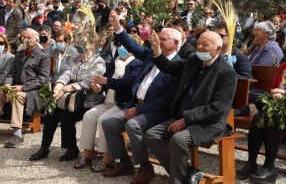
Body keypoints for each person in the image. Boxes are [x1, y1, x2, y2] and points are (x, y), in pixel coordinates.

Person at [144, 30, 237, 183]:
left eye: (205, 45)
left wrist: (186, 120)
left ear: (218, 49)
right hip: (184, 116)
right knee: (152, 135)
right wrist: (156, 49)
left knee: (179, 140)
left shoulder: (226, 73)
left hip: (208, 123)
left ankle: (177, 180)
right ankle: (188, 172)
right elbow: (168, 67)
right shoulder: (194, 61)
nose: (199, 47)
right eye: (198, 43)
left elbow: (217, 108)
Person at [101, 11, 181, 182]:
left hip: (157, 111)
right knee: (109, 123)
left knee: (133, 125)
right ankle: (125, 163)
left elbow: (167, 100)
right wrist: (118, 28)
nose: (156, 41)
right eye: (156, 37)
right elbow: (133, 47)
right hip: (136, 105)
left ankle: (145, 168)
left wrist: (139, 110)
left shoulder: (178, 65)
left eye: (161, 39)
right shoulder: (151, 56)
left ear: (175, 44)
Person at [30, 32, 105, 162]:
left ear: (92, 44)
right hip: (72, 100)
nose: (79, 44)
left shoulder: (98, 61)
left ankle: (71, 148)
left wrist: (65, 89)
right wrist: (57, 88)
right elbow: (66, 75)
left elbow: (88, 82)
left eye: (83, 41)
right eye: (78, 41)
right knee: (52, 111)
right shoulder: (75, 59)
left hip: (88, 101)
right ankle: (44, 147)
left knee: (66, 116)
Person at [76, 34, 142, 171]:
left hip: (123, 103)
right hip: (108, 101)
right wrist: (99, 87)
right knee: (89, 116)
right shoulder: (115, 60)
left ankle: (108, 158)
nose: (122, 47)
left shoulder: (137, 63)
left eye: (126, 45)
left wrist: (106, 81)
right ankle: (87, 153)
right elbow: (105, 81)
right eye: (121, 44)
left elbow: (129, 83)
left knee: (103, 120)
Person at [0, 28, 50, 147]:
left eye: (29, 38)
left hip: (33, 90)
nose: (25, 40)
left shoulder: (43, 56)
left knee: (16, 96)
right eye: (24, 37)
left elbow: (42, 79)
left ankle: (18, 134)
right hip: (15, 87)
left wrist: (23, 87)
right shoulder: (19, 54)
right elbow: (11, 73)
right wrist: (7, 83)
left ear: (36, 40)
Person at [236, 63, 285, 184]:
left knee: (270, 120)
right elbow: (272, 87)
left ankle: (269, 167)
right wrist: (274, 93)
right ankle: (251, 163)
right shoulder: (284, 66)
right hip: (279, 109)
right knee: (258, 118)